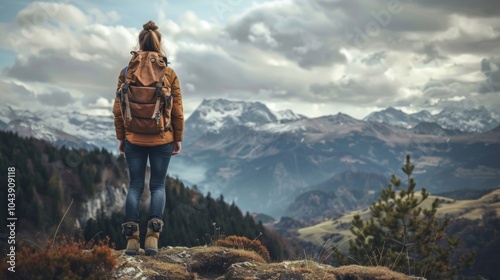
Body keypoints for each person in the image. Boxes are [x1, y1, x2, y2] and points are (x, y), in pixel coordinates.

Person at [112, 20, 184, 256]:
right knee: (157, 186)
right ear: (159, 43)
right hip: (162, 138)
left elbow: (118, 109)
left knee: (134, 186)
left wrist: (122, 137)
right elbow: (177, 111)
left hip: (133, 137)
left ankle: (132, 241)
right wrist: (178, 138)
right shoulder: (169, 73)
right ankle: (152, 238)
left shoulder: (125, 72)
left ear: (140, 43)